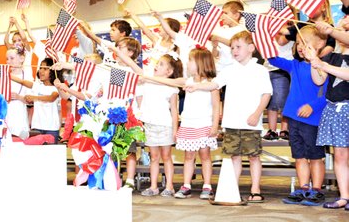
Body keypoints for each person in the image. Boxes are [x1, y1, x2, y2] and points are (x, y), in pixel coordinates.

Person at [186, 31, 272, 203]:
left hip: (251, 122)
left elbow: (267, 94)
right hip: (232, 122)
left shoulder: (260, 70)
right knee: (234, 156)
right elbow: (215, 84)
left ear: (251, 48)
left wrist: (257, 114)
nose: (234, 50)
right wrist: (197, 86)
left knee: (254, 156)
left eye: (238, 47)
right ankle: (233, 189)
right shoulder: (229, 70)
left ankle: (255, 189)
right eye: (232, 47)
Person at [145, 48, 220, 199]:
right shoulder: (187, 81)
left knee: (205, 155)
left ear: (200, 63)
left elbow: (217, 106)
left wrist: (215, 125)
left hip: (204, 124)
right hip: (188, 124)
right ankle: (186, 185)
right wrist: (146, 78)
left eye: (190, 60)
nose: (187, 63)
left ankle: (207, 185)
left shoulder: (211, 84)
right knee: (188, 156)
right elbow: (169, 80)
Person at [269, 26, 328, 206]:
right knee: (300, 156)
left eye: (306, 43)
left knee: (316, 156)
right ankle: (303, 188)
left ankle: (316, 189)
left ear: (319, 45)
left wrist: (312, 106)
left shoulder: (323, 67)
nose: (301, 47)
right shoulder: (294, 65)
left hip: (313, 119)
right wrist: (262, 37)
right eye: (299, 43)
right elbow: (272, 58)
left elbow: (327, 94)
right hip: (294, 119)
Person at [114, 51, 183, 197]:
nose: (157, 66)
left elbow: (174, 111)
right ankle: (153, 186)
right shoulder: (147, 82)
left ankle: (169, 186)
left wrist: (175, 130)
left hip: (165, 126)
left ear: (169, 72)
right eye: (157, 63)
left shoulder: (172, 88)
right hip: (150, 126)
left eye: (161, 64)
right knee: (154, 157)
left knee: (166, 156)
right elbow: (133, 68)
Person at [309, 15, 349, 209]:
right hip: (336, 109)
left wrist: (323, 65)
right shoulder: (332, 56)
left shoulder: (330, 61)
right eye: (343, 22)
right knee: (340, 155)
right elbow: (318, 80)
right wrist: (313, 59)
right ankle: (344, 196)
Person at [12, 58, 62, 143]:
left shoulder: (56, 87)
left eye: (45, 69)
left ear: (53, 72)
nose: (41, 71)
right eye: (40, 68)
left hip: (52, 129)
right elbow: (21, 81)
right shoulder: (37, 86)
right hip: (37, 128)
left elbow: (51, 98)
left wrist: (34, 98)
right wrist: (2, 72)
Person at [6, 46, 32, 139]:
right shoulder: (4, 75)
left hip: (19, 117)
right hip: (6, 116)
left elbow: (31, 101)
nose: (8, 61)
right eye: (7, 59)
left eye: (12, 58)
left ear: (22, 58)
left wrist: (19, 97)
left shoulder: (27, 76)